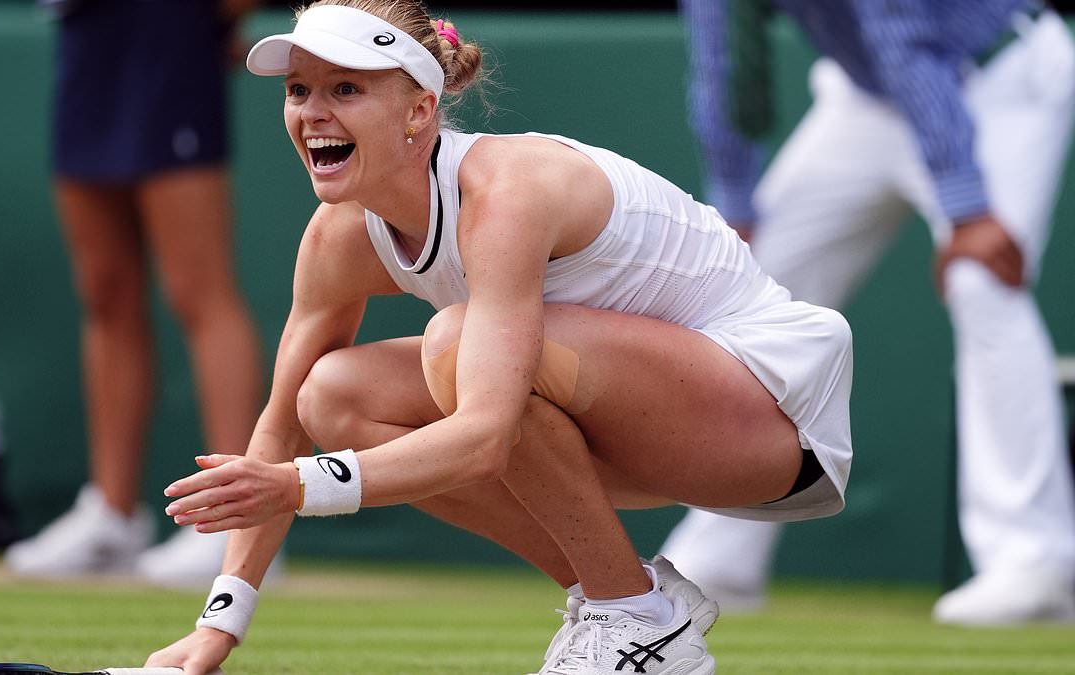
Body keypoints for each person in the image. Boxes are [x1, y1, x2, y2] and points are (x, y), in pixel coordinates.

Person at [142, 1, 853, 673]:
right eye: (299, 90)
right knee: (328, 396)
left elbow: (484, 434)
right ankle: (632, 602)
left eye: (346, 89)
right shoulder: (338, 237)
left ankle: (636, 614)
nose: (313, 113)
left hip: (768, 427)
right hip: (633, 432)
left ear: (420, 110)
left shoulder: (507, 192)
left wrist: (298, 487)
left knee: (458, 346)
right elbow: (280, 427)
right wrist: (219, 624)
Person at [662, 0, 1075, 625]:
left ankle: (1031, 562)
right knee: (756, 281)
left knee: (981, 282)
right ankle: (721, 557)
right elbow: (722, 56)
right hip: (866, 98)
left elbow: (900, 32)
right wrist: (735, 202)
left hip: (999, 79)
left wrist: (967, 203)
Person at [5, 0, 279, 587]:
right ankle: (111, 514)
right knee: (104, 291)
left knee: (197, 289)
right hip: (86, 37)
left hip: (171, 35)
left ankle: (239, 524)